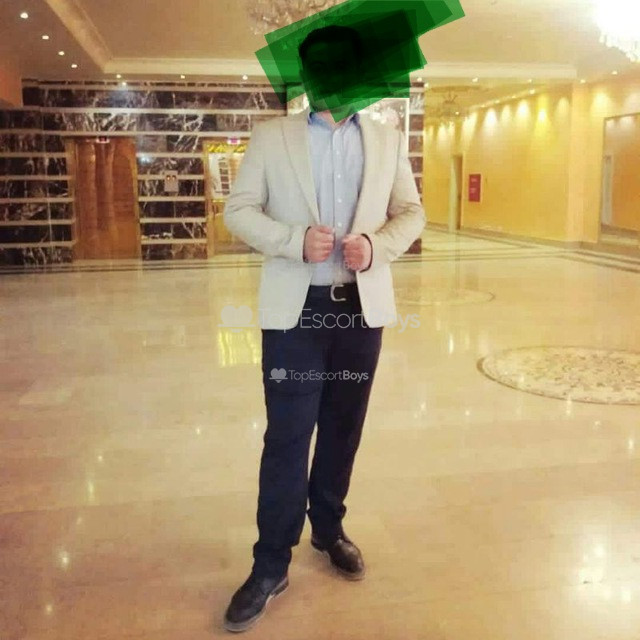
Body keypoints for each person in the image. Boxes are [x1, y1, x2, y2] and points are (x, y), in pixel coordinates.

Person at [222, 24, 426, 633]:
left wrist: (376, 246)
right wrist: (292, 241)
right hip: (297, 315)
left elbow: (411, 212)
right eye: (322, 68)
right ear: (309, 76)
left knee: (343, 427)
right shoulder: (273, 136)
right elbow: (238, 210)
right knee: (288, 436)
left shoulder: (387, 139)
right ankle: (270, 563)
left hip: (359, 314)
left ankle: (329, 529)